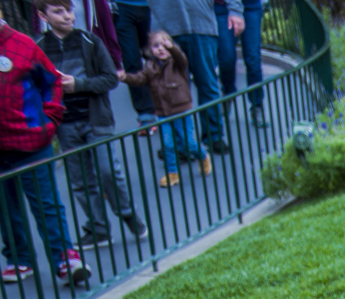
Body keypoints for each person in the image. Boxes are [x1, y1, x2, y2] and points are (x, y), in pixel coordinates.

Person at [0, 0, 88, 284]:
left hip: (32, 143)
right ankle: (19, 259)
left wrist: (48, 122)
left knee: (46, 204)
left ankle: (65, 259)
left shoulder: (21, 43)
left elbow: (52, 82)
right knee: (4, 206)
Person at [36, 0, 146, 246]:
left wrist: (79, 85)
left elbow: (110, 79)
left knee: (108, 171)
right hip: (65, 124)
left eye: (68, 10)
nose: (67, 16)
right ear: (43, 15)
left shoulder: (91, 41)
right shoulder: (39, 48)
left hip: (96, 119)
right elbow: (37, 86)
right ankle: (98, 228)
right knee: (80, 180)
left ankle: (127, 212)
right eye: (58, 11)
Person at [119, 27, 207, 184]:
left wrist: (172, 48)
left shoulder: (177, 63)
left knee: (189, 143)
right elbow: (139, 79)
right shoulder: (150, 67)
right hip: (163, 113)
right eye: (156, 46)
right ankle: (172, 173)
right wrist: (125, 77)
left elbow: (182, 58)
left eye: (164, 44)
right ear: (150, 50)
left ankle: (203, 155)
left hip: (182, 110)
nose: (161, 49)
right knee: (167, 145)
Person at [149, 0, 219, 152]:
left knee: (208, 83)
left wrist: (235, 10)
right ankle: (182, 144)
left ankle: (215, 136)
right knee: (172, 89)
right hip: (166, 29)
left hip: (201, 24)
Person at [213, 0, 261, 126]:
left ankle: (257, 106)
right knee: (226, 57)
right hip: (223, 6)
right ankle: (228, 91)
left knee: (253, 58)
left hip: (250, 6)